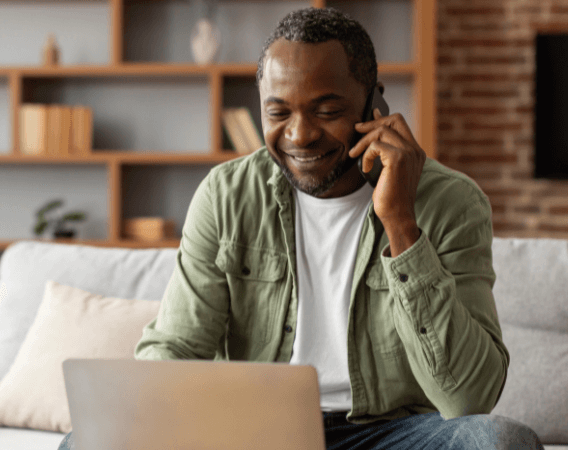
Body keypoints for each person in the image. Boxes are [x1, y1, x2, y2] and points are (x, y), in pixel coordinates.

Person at [59, 7, 543, 449]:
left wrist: (400, 222)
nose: (299, 134)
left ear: (374, 105)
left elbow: (467, 399)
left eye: (327, 111)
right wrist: (138, 420)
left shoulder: (452, 202)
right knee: (86, 443)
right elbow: (178, 346)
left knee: (499, 442)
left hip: (389, 435)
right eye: (278, 111)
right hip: (251, 433)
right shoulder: (226, 196)